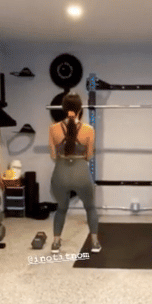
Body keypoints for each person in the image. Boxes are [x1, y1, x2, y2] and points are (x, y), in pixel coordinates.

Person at [48, 92, 100, 253]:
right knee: (90, 208)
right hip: (81, 173)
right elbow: (89, 155)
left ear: (63, 109)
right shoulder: (89, 130)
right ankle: (95, 242)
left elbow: (53, 156)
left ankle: (56, 243)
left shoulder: (53, 129)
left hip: (60, 173)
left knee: (61, 208)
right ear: (80, 109)